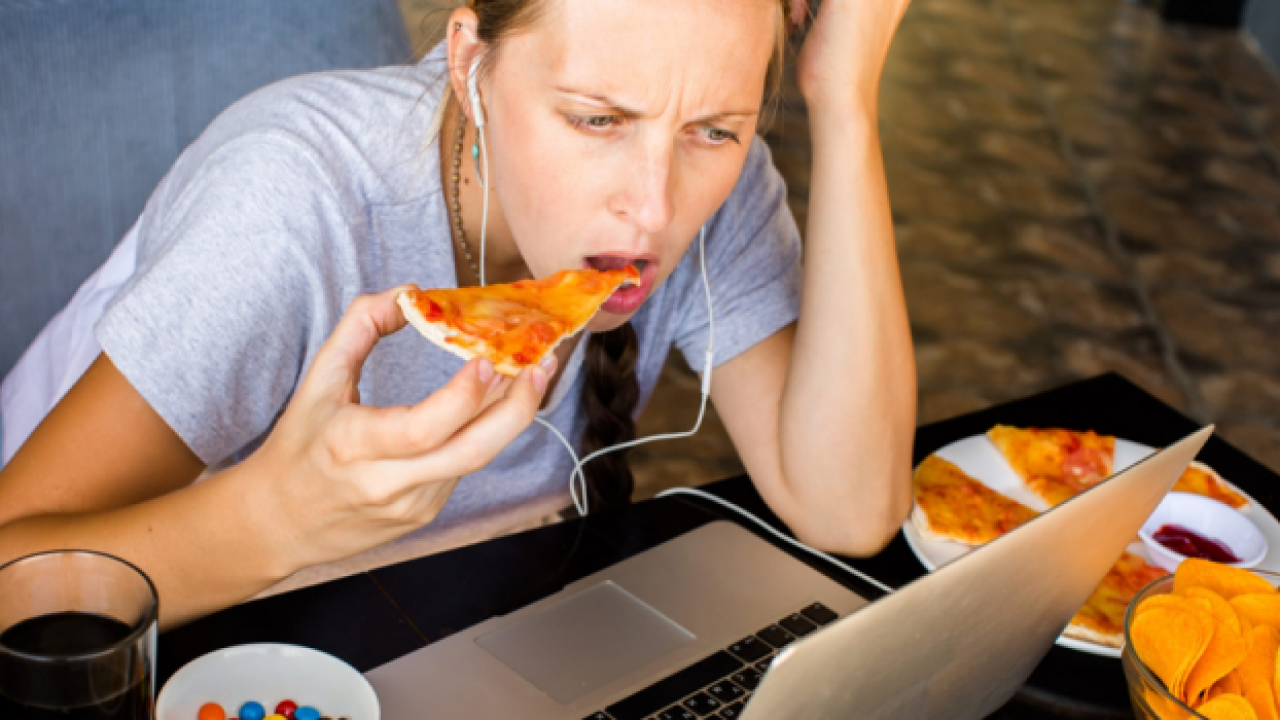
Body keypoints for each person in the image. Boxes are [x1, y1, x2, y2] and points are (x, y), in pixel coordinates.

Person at [0, 0, 916, 629]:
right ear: (472, 62)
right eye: (597, 120)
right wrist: (278, 516)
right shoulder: (288, 203)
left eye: (715, 129)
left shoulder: (723, 189)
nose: (654, 208)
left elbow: (849, 512)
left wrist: (844, 100)